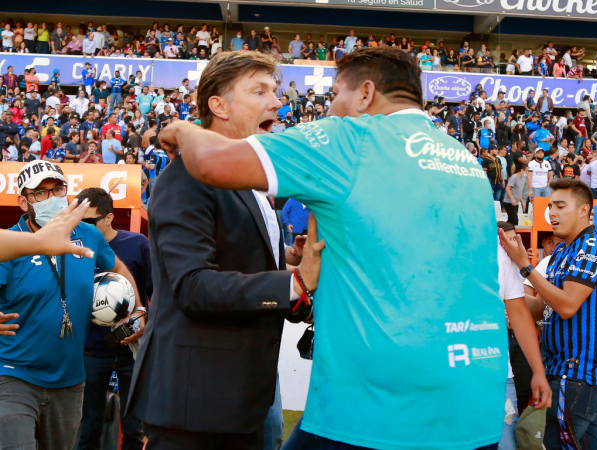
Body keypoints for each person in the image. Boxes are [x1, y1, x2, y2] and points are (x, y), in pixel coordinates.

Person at [157, 47, 510, 450]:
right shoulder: (466, 160)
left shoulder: (350, 139)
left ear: (364, 95)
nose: (329, 111)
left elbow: (211, 163)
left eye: (334, 97)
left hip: (377, 404)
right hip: (475, 396)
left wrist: (181, 130)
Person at [126, 51, 320, 450]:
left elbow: (235, 255)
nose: (278, 102)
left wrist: (289, 261)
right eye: (259, 91)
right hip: (195, 403)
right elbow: (195, 287)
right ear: (219, 106)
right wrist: (293, 284)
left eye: (276, 90)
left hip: (244, 396)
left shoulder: (251, 182)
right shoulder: (186, 177)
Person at [0, 162, 143, 449]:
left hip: (70, 379)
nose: (51, 197)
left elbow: (117, 266)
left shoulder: (87, 234)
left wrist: (137, 307)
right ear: (22, 201)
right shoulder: (12, 242)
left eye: (57, 189)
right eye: (40, 193)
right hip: (13, 374)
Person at [500, 179, 597, 450]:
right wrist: (507, 279)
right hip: (560, 374)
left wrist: (524, 267)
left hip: (579, 376)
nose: (552, 213)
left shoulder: (591, 245)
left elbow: (567, 306)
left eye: (560, 206)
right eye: (551, 206)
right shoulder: (560, 254)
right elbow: (539, 307)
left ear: (583, 210)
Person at [75, 188, 151, 450]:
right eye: (78, 220)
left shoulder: (138, 244)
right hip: (90, 352)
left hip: (132, 350)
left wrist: (142, 317)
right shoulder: (71, 249)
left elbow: (157, 292)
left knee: (134, 428)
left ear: (108, 218)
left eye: (89, 220)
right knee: (87, 428)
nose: (82, 227)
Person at [495, 221, 552, 450]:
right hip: (449, 374)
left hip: (502, 368)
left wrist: (539, 371)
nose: (512, 242)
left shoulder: (506, 260)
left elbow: (523, 310)